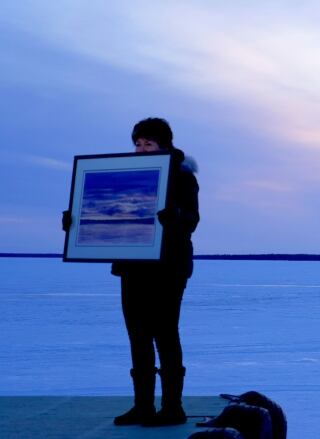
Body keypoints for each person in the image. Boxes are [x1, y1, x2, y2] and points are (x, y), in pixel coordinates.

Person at [62, 117, 200, 426]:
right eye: (137, 143)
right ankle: (143, 406)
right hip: (133, 267)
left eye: (148, 143)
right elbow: (109, 212)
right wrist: (76, 223)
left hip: (168, 268)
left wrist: (174, 215)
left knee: (165, 334)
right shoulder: (124, 176)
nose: (141, 149)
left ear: (164, 144)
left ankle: (172, 407)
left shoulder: (181, 176)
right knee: (137, 336)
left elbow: (192, 219)